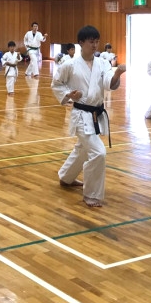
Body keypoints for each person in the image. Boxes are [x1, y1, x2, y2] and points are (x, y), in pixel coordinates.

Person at [53, 25, 126, 207]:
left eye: (96, 42)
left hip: (96, 113)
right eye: (90, 42)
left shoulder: (103, 63)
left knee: (83, 149)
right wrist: (69, 94)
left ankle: (66, 177)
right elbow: (56, 84)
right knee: (98, 152)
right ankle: (92, 194)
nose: (94, 45)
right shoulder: (69, 65)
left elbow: (109, 83)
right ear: (81, 43)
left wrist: (117, 73)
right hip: (80, 114)